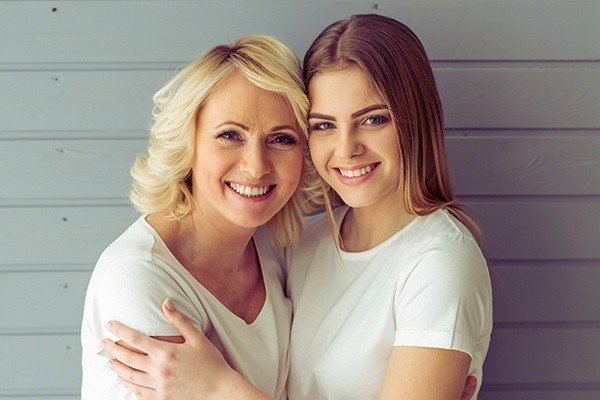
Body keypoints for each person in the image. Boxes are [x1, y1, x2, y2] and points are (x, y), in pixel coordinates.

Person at [100, 14, 492, 400]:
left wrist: (219, 388)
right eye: (324, 125)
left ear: (418, 117)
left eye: (373, 119)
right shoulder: (300, 243)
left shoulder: (441, 262)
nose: (346, 149)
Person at [80, 35, 321, 400]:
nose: (256, 166)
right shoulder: (138, 275)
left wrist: (219, 387)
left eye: (282, 139)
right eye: (230, 135)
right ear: (188, 144)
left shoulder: (271, 248)